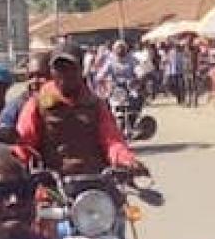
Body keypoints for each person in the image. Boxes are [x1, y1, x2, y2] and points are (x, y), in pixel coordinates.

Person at [12, 44, 145, 179]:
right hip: (52, 186)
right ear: (51, 72)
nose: (65, 74)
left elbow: (112, 140)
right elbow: (24, 143)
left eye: (71, 68)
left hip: (96, 182)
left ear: (81, 70)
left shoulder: (96, 104)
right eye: (59, 68)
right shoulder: (37, 104)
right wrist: (15, 168)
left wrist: (127, 160)